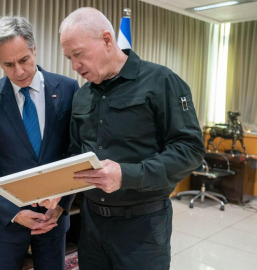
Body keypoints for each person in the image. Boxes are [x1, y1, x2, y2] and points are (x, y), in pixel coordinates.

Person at [59, 7, 206, 270]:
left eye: (78, 54)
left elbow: (190, 150)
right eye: (69, 57)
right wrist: (53, 189)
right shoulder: (82, 95)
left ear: (107, 40)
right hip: (91, 223)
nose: (74, 66)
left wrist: (127, 175)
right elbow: (75, 151)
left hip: (143, 225)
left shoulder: (161, 81)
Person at [0, 16, 80, 270]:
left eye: (24, 60)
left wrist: (63, 204)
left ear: (34, 49)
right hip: (7, 223)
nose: (19, 71)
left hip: (53, 218)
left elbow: (74, 152)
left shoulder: (68, 89)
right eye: (8, 64)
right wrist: (15, 212)